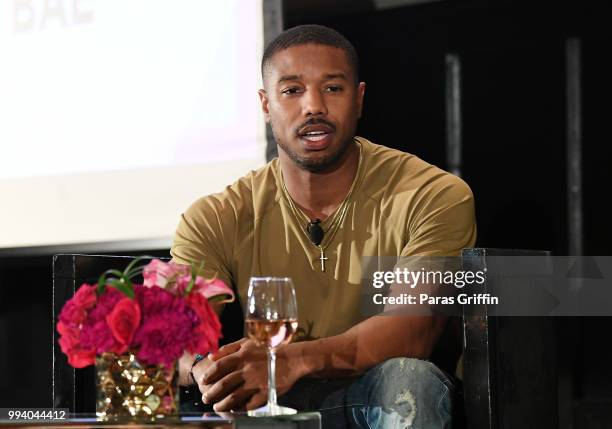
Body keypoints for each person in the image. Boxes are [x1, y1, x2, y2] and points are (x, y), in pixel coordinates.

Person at [171, 24, 476, 428]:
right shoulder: (214, 216)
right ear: (266, 105)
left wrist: (289, 361)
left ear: (359, 99)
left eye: (332, 88)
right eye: (292, 90)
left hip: (376, 396)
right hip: (269, 403)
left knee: (410, 380)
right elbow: (173, 336)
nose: (313, 106)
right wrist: (202, 369)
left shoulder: (432, 193)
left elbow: (412, 333)